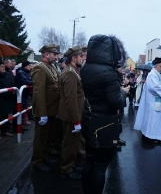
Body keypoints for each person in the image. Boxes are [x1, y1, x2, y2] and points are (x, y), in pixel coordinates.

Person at [80, 34, 129, 194]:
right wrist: (123, 92)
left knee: (89, 160)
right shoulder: (108, 72)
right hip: (105, 123)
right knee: (100, 166)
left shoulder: (85, 68)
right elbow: (115, 102)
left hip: (89, 118)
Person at [31, 44, 60, 173]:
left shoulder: (51, 67)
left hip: (52, 109)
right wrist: (42, 113)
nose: (57, 56)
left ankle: (45, 156)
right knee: (41, 137)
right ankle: (37, 161)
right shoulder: (40, 68)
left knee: (48, 136)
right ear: (46, 54)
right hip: (45, 110)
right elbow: (39, 92)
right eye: (54, 54)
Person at [58, 46, 85, 180]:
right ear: (74, 58)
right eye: (81, 56)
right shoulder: (70, 73)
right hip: (70, 116)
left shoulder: (73, 70)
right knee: (69, 144)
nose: (83, 58)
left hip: (72, 115)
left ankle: (70, 165)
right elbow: (71, 99)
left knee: (72, 143)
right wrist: (76, 121)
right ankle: (66, 169)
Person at [134, 57, 161, 144]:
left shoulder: (157, 74)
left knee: (157, 119)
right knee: (152, 119)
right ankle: (149, 136)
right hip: (153, 101)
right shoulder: (152, 75)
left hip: (157, 101)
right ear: (156, 66)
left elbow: (160, 85)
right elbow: (153, 87)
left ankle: (155, 135)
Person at [0, 62, 14, 140]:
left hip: (8, 98)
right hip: (0, 99)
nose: (3, 68)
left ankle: (4, 130)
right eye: (1, 66)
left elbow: (10, 84)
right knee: (0, 116)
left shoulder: (6, 76)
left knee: (5, 115)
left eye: (3, 66)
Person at [15, 60, 33, 125]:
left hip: (25, 93)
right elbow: (24, 81)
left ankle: (21, 123)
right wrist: (34, 83)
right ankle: (18, 126)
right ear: (25, 66)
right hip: (21, 94)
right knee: (19, 110)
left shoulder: (27, 72)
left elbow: (30, 79)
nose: (30, 67)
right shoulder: (20, 72)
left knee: (23, 109)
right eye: (29, 65)